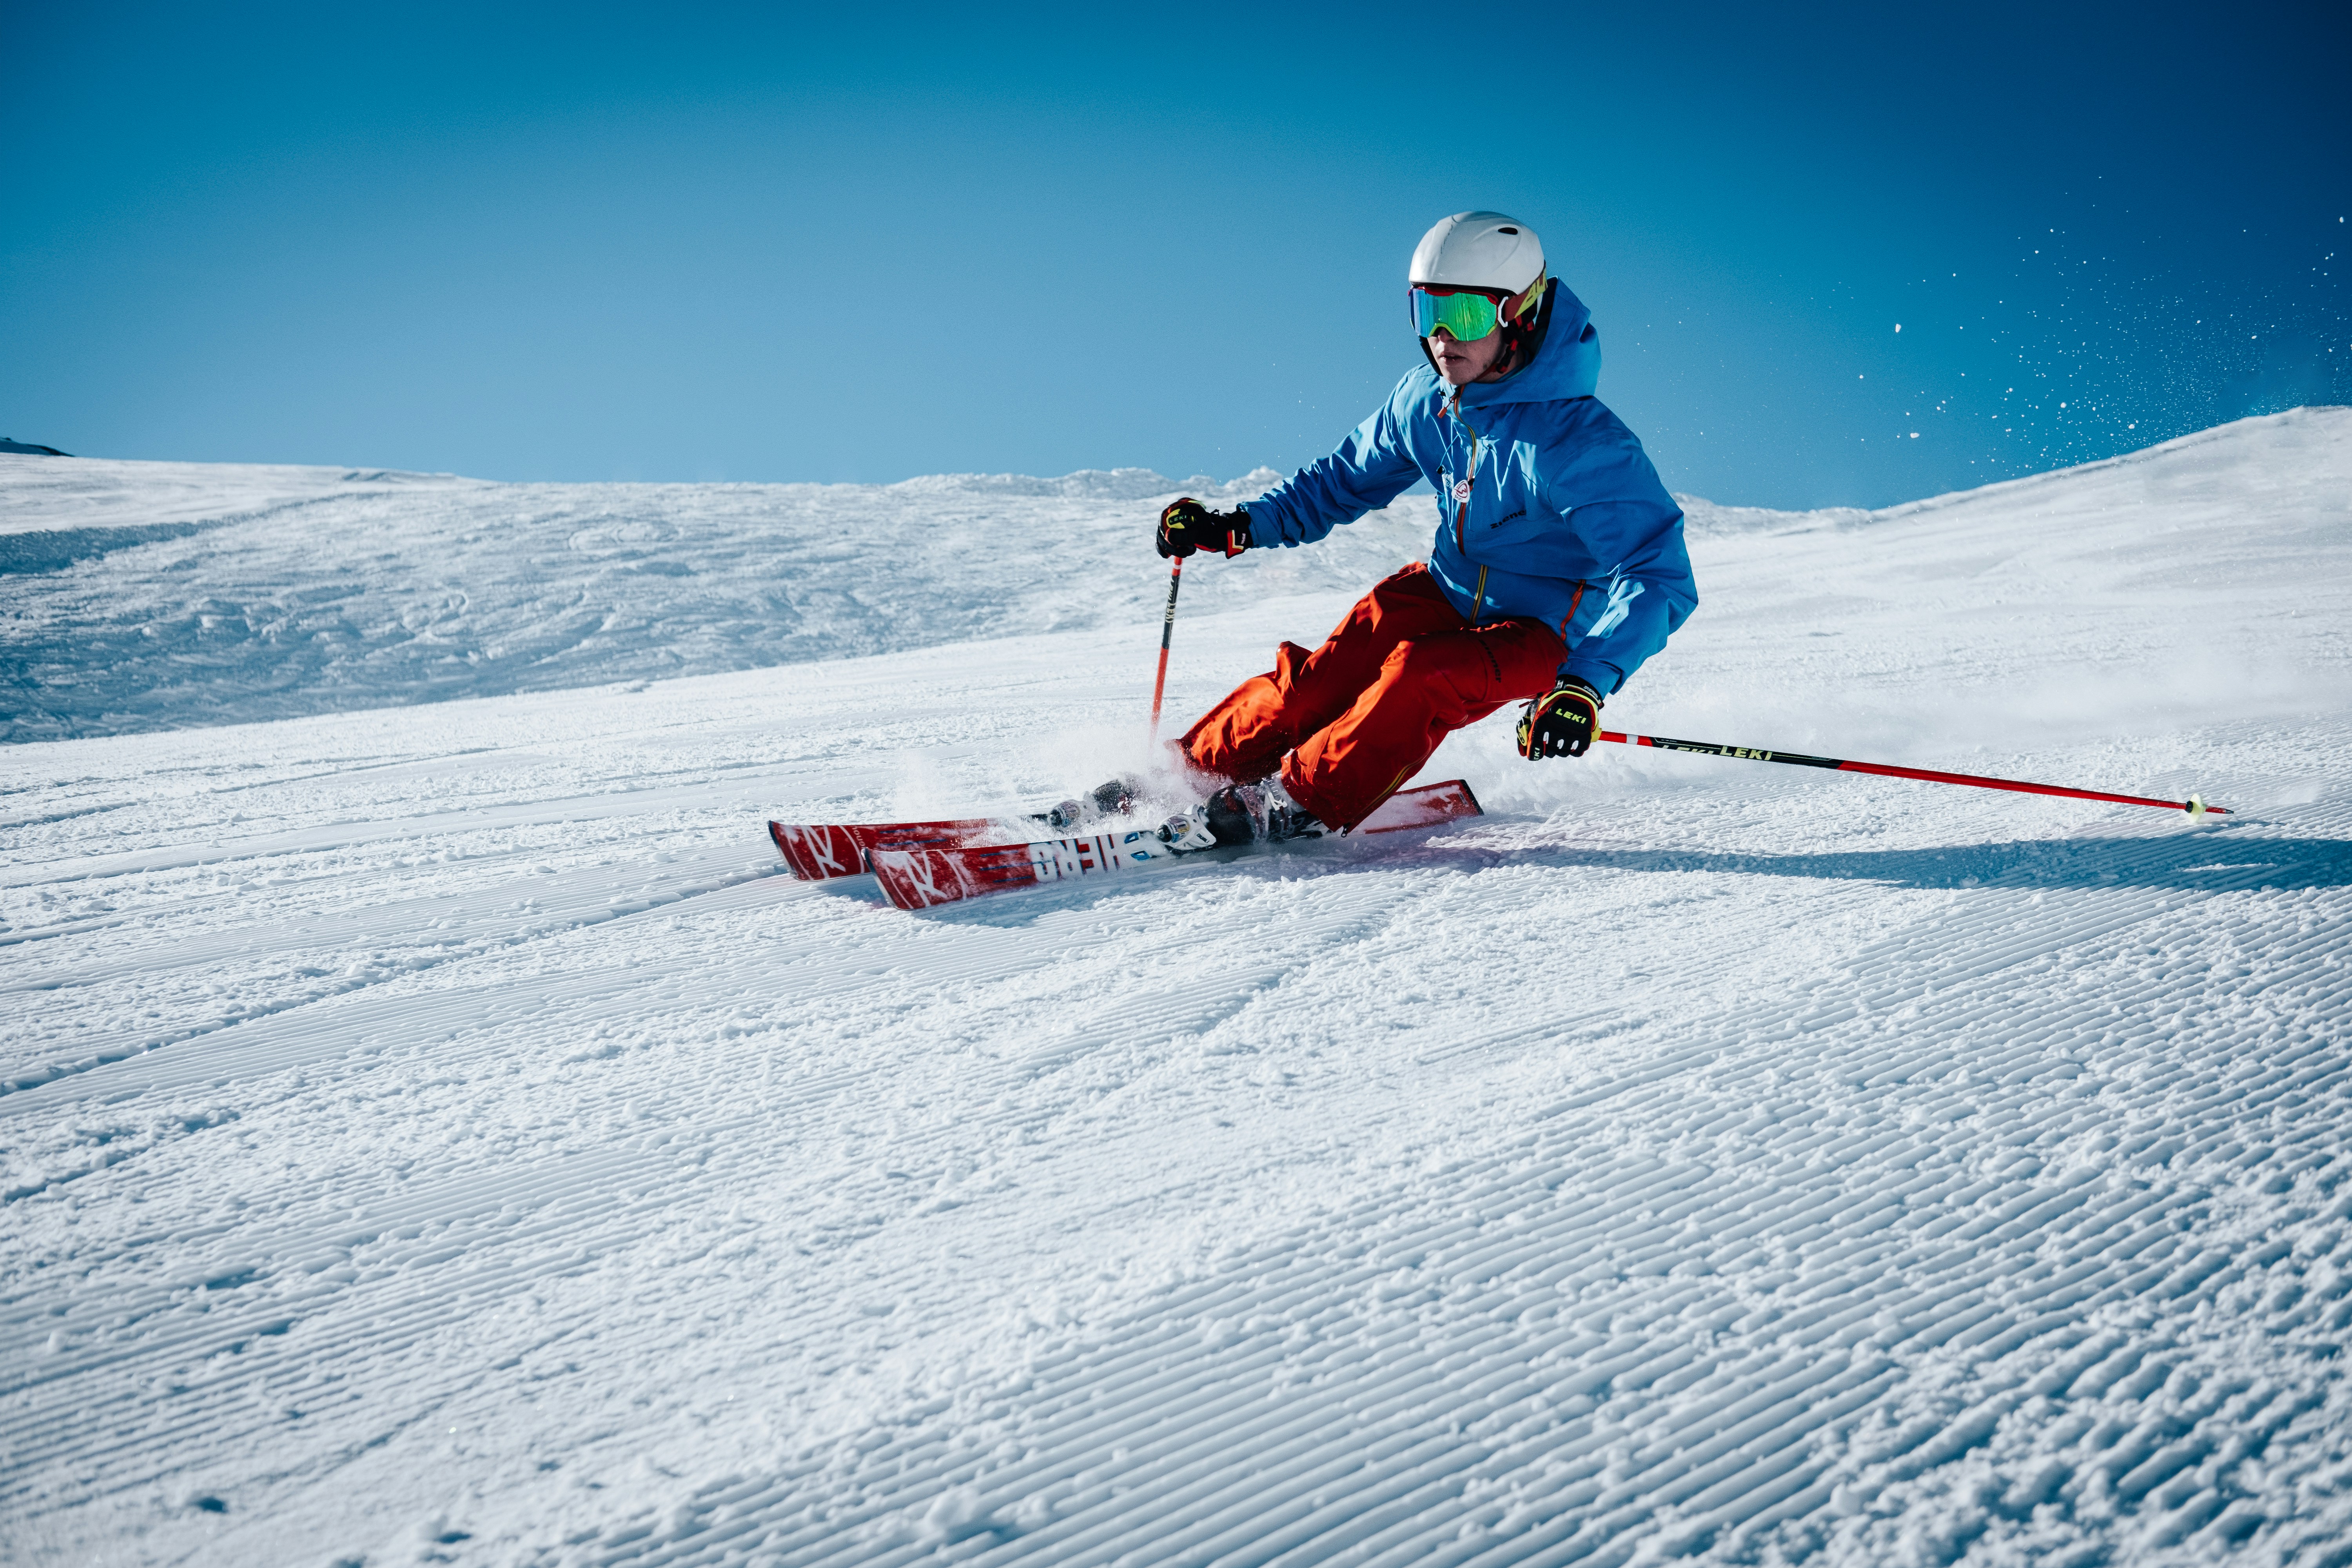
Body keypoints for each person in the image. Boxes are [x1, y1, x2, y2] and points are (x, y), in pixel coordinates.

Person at [1153, 210, 1699, 846]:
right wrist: (1237, 525)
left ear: (1517, 313)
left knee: (1424, 673)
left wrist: (1585, 684)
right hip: (1444, 588)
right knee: (1316, 686)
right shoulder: (1427, 399)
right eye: (1426, 313)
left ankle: (1293, 801)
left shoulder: (1579, 444)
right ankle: (1181, 775)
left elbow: (1658, 575)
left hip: (1545, 631)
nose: (1441, 338)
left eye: (1463, 316)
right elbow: (1339, 482)